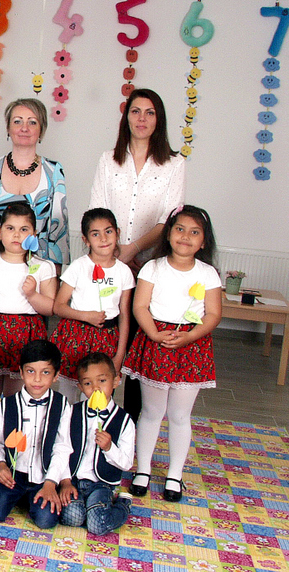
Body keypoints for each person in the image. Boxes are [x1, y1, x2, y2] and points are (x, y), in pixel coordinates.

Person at [89, 88, 186, 422]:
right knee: (106, 334)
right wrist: (114, 251)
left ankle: (129, 424)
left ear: (159, 120)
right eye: (135, 111)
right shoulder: (109, 159)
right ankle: (95, 416)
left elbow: (169, 219)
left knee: (138, 344)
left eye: (150, 112)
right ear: (126, 117)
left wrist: (132, 250)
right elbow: (97, 210)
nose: (142, 119)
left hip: (150, 265)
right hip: (108, 260)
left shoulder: (174, 163)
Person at [124, 205, 221, 502]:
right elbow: (140, 306)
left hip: (191, 345)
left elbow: (213, 314)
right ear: (168, 234)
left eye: (194, 232)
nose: (185, 236)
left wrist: (190, 336)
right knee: (151, 411)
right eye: (180, 229)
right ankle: (143, 470)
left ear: (203, 241)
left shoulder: (208, 273)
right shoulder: (153, 268)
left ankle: (175, 475)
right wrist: (154, 334)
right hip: (157, 341)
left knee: (180, 415)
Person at [0, 201, 57, 421]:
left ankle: (11, 438)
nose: (16, 235)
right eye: (10, 228)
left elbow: (50, 308)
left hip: (26, 336)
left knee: (15, 398)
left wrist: (32, 294)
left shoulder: (43, 267)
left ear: (34, 234)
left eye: (24, 229)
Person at [0, 340, 72, 527]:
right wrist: (0, 465)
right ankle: (8, 492)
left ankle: (28, 498)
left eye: (45, 372)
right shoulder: (7, 405)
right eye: (30, 371)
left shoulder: (62, 406)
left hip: (44, 477)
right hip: (14, 474)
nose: (37, 379)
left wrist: (51, 482)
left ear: (56, 375)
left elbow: (62, 447)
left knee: (46, 521)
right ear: (21, 372)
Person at [0, 98, 69, 267]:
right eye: (17, 121)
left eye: (32, 122)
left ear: (41, 129)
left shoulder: (54, 171)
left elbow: (59, 230)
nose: (24, 128)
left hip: (38, 269)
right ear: (8, 128)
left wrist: (55, 275)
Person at [51, 208, 135, 403]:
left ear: (117, 233)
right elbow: (59, 307)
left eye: (108, 231)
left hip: (107, 338)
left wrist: (120, 354)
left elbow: (124, 315)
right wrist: (86, 316)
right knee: (69, 393)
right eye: (95, 234)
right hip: (76, 336)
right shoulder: (79, 267)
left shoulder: (124, 272)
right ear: (86, 240)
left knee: (97, 396)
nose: (103, 238)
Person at [58, 353, 135, 535]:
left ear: (116, 381)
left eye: (102, 381)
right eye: (88, 383)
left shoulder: (124, 421)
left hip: (102, 483)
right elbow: (60, 448)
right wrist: (65, 481)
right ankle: (90, 508)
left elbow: (126, 463)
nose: (95, 388)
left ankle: (123, 505)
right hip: (74, 480)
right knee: (72, 518)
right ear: (80, 387)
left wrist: (109, 448)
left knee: (97, 526)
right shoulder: (71, 412)